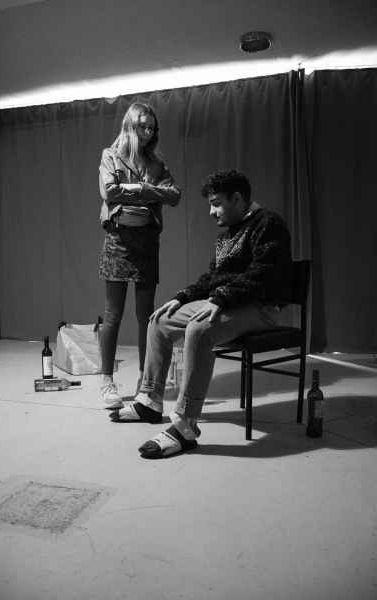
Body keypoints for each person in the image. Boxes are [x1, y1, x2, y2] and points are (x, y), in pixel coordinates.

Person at [110, 169, 293, 459]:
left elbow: (264, 274)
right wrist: (181, 297)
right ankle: (149, 401)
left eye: (217, 204)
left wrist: (220, 298)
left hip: (263, 308)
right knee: (159, 321)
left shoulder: (268, 224)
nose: (211, 211)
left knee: (200, 329)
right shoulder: (227, 234)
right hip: (229, 303)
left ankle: (185, 425)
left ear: (237, 199)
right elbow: (212, 278)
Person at [98, 102, 181, 408]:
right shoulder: (111, 156)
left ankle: (145, 383)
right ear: (130, 125)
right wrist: (148, 190)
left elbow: (174, 195)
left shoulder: (157, 163)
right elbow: (109, 191)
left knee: (146, 317)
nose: (148, 132)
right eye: (143, 126)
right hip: (118, 240)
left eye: (152, 128)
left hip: (147, 242)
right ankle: (107, 381)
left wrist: (139, 188)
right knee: (113, 315)